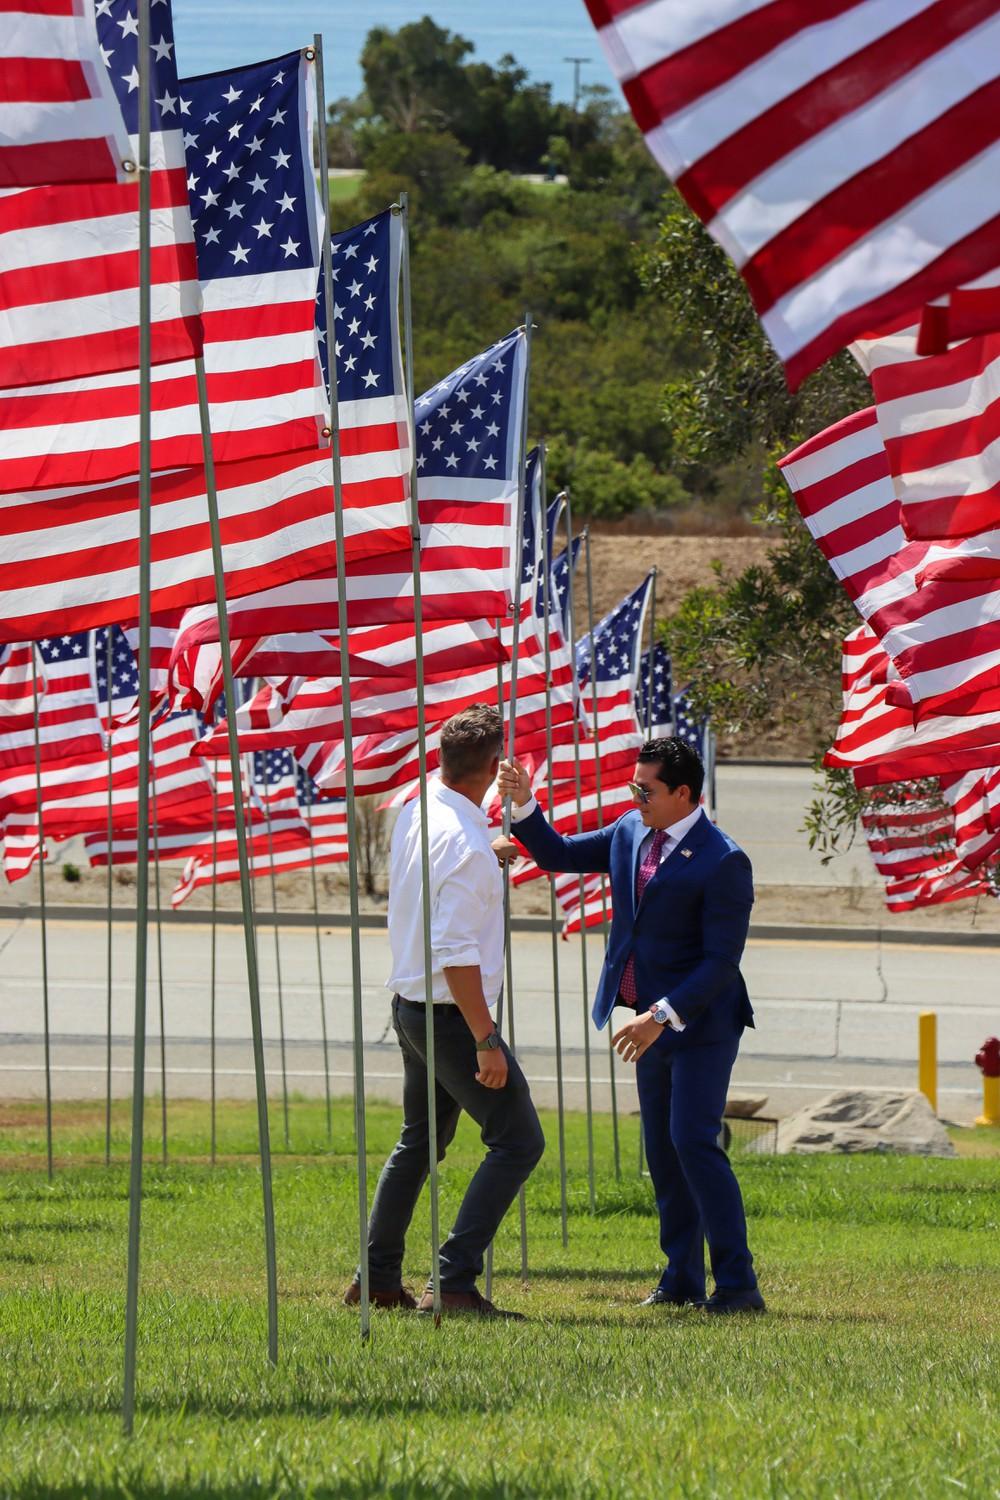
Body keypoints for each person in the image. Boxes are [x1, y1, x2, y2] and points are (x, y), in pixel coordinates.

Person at [496, 737, 763, 1314]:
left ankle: (738, 1287)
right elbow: (560, 854)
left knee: (694, 1140)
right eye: (633, 786)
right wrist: (523, 807)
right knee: (663, 1152)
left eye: (646, 789)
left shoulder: (724, 860)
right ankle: (681, 1280)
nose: (635, 796)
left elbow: (722, 962)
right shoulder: (629, 831)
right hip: (644, 1024)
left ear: (684, 793)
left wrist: (662, 1016)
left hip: (700, 1024)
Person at [344, 703, 544, 1319]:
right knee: (517, 1141)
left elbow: (444, 881)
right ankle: (452, 1281)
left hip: (410, 1005)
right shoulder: (465, 845)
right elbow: (455, 952)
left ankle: (376, 1277)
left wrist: (492, 851)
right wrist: (486, 1039)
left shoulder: (421, 807)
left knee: (421, 1140)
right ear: (492, 766)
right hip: (452, 1014)